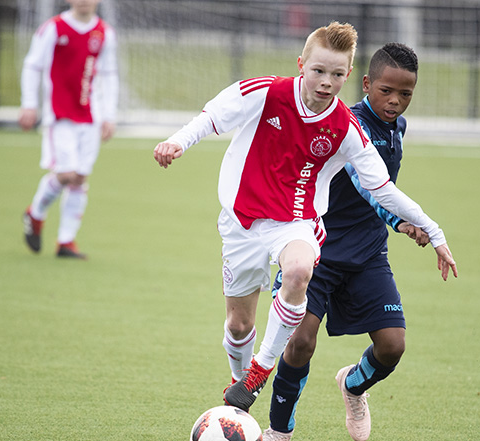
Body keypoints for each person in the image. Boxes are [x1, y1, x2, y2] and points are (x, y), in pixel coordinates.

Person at [153, 23, 456, 413]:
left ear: (348, 76)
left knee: (298, 271)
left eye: (335, 74)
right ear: (301, 65)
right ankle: (238, 381)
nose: (326, 82)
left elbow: (381, 188)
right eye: (318, 71)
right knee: (238, 326)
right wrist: (177, 142)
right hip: (242, 221)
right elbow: (213, 116)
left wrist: (433, 230)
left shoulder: (346, 127)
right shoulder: (266, 91)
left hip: (295, 222)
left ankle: (260, 371)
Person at [263, 42, 449, 441]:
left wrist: (403, 223)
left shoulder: (397, 127)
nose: (396, 102)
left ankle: (353, 384)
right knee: (299, 342)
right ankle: (279, 430)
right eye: (386, 91)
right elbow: (368, 186)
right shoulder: (347, 123)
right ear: (366, 84)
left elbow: (385, 186)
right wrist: (400, 221)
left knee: (392, 346)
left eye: (406, 95)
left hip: (367, 254)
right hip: (316, 247)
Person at [20, 0, 118, 259]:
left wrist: (109, 115)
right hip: (60, 114)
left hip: (90, 115)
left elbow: (109, 73)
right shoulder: (53, 28)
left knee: (80, 178)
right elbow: (32, 65)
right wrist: (29, 104)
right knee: (66, 173)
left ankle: (66, 241)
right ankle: (35, 214)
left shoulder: (105, 33)